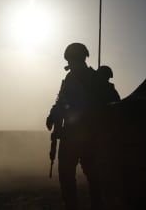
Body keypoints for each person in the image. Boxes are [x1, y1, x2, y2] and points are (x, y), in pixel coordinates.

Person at [46, 43, 114, 210]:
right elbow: (61, 102)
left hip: (90, 136)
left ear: (80, 59)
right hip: (71, 136)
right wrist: (52, 116)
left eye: (72, 60)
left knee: (94, 178)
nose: (71, 64)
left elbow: (112, 104)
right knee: (67, 177)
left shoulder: (96, 80)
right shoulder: (70, 79)